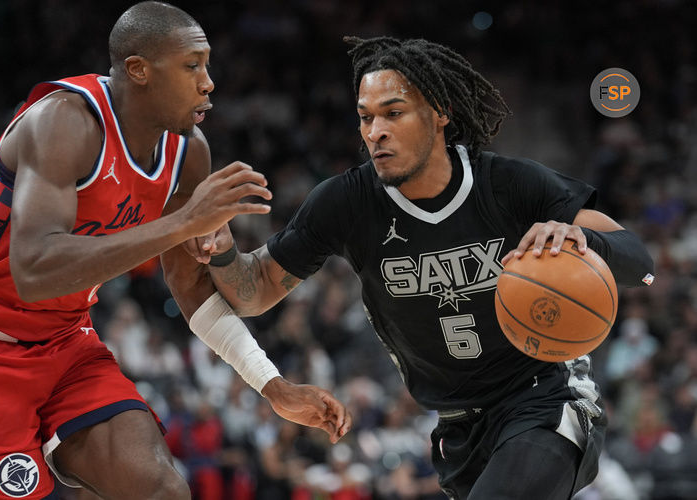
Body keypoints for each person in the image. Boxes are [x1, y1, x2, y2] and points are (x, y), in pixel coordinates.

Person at [198, 36, 655, 499]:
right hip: (456, 426)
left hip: (544, 397)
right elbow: (252, 292)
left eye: (393, 113)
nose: (375, 130)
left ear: (440, 112)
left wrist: (585, 239)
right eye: (365, 117)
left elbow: (641, 263)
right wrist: (221, 249)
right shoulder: (346, 203)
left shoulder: (508, 184)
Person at [0, 3, 351, 499]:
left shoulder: (189, 153)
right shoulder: (64, 122)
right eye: (192, 66)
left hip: (66, 342)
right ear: (139, 70)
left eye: (207, 65)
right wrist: (182, 223)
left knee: (162, 491)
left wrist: (272, 386)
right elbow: (34, 270)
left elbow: (191, 289)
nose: (209, 83)